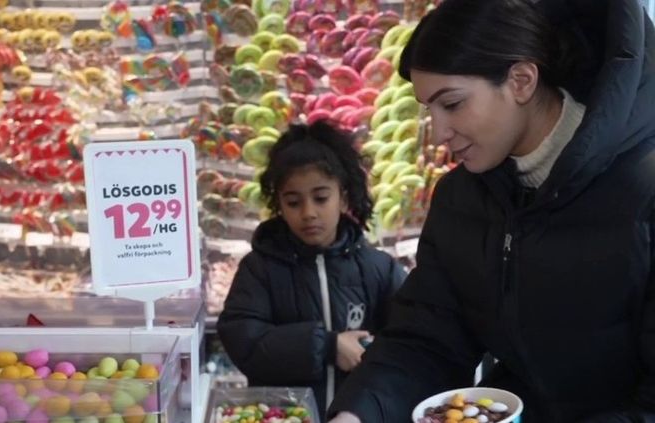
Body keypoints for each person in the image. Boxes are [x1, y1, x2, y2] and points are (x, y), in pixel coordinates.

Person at [328, 0, 655, 421]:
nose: (440, 132)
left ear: (521, 80)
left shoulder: (643, 193)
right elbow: (426, 340)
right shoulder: (461, 201)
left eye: (452, 104)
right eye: (429, 110)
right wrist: (358, 413)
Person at [217, 121, 406, 416]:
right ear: (279, 204)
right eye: (293, 202)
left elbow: (410, 339)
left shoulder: (378, 269)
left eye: (321, 198)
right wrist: (328, 347)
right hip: (284, 417)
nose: (308, 213)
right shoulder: (259, 269)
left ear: (343, 198)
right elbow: (245, 341)